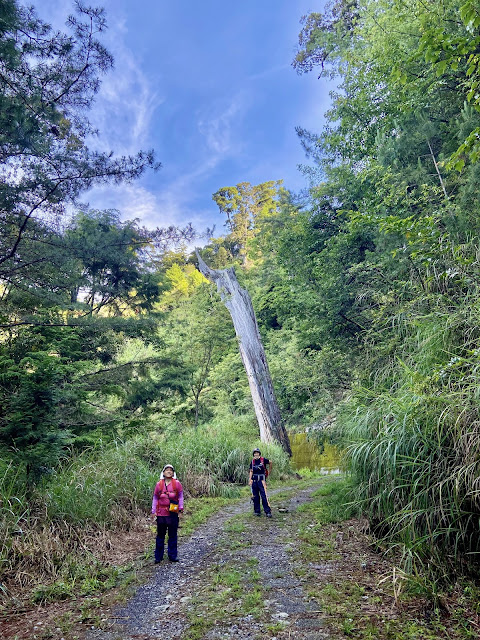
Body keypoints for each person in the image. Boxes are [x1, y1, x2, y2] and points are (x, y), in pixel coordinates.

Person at [151, 464, 184, 563]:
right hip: (161, 514)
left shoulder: (177, 484)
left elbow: (181, 496)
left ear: (173, 473)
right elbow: (155, 497)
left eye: (171, 470)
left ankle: (172, 556)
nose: (169, 472)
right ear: (163, 472)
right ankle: (158, 557)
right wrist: (153, 511)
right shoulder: (159, 484)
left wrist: (181, 509)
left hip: (173, 513)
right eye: (167, 470)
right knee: (160, 535)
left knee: (172, 535)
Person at [248, 448, 272, 517]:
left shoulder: (263, 460)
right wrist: (250, 480)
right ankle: (257, 511)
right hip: (254, 481)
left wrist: (269, 472)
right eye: (255, 453)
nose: (256, 454)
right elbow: (251, 471)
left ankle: (268, 511)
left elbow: (270, 462)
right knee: (255, 496)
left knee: (264, 496)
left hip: (261, 481)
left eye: (257, 453)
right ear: (253, 454)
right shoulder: (252, 462)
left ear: (259, 453)